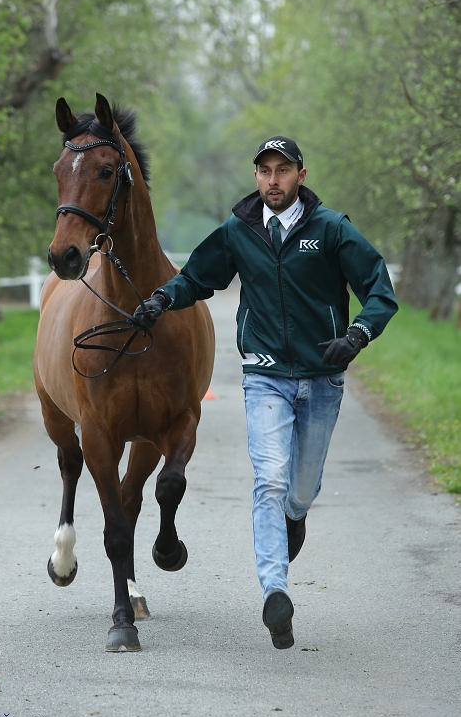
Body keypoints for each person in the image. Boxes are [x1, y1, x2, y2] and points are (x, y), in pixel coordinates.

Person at [133, 135, 398, 649]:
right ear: (256, 176)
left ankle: (294, 519)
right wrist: (161, 298)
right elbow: (196, 278)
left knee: (300, 492)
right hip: (265, 377)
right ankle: (275, 593)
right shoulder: (239, 232)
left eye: (283, 170)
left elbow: (378, 288)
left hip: (322, 380)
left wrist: (357, 334)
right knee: (269, 482)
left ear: (300, 173)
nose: (273, 179)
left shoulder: (331, 229)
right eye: (264, 170)